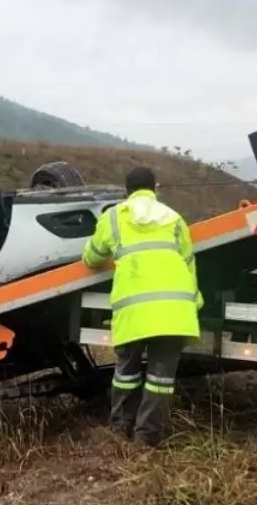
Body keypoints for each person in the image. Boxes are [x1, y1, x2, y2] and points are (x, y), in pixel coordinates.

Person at [81, 166, 203, 447]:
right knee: (160, 379)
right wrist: (195, 302)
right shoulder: (175, 219)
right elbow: (189, 264)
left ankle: (119, 427)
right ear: (155, 188)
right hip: (174, 312)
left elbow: (92, 256)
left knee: (126, 372)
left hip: (135, 312)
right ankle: (146, 438)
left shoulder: (113, 217)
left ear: (126, 190)